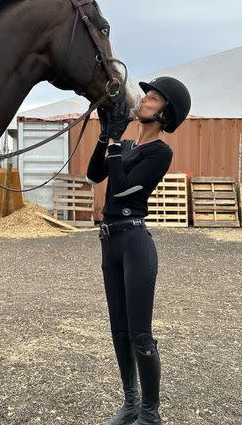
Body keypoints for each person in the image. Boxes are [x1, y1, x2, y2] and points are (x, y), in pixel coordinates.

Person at [86, 77, 191, 425]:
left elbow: (123, 190)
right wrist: (106, 135)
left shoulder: (160, 152)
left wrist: (114, 142)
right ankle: (130, 402)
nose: (144, 99)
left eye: (153, 97)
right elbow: (93, 173)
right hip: (109, 242)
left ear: (165, 113)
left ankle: (149, 413)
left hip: (134, 242)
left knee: (139, 332)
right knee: (118, 329)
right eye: (145, 95)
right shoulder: (127, 145)